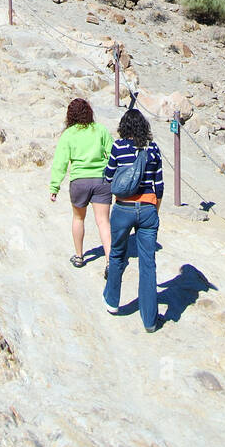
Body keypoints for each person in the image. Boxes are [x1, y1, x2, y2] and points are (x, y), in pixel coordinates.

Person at [102, 107, 164, 332]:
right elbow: (160, 184)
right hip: (148, 208)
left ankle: (112, 301)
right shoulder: (154, 149)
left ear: (123, 127)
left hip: (123, 207)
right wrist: (154, 209)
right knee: (148, 263)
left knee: (118, 253)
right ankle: (149, 319)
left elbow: (108, 176)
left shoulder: (118, 147)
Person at [49, 98, 114, 270]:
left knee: (78, 218)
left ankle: (79, 256)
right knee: (103, 222)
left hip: (79, 181)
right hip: (101, 180)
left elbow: (60, 163)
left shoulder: (69, 134)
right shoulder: (100, 130)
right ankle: (110, 260)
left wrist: (54, 186)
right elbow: (112, 153)